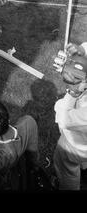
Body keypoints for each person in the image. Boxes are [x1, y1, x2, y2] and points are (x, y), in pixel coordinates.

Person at [53, 41, 87, 190]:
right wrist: (81, 50)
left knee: (66, 167)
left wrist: (73, 94)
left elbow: (64, 120)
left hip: (75, 146)